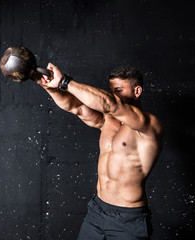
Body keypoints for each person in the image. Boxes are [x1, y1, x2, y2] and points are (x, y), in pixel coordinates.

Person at [36, 63, 164, 240]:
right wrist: (49, 86)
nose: (113, 95)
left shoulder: (149, 126)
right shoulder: (109, 121)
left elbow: (111, 105)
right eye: (111, 91)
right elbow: (75, 107)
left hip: (128, 219)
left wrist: (64, 82)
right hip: (97, 211)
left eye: (118, 90)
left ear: (137, 91)